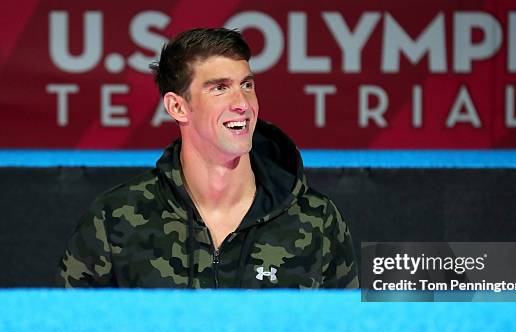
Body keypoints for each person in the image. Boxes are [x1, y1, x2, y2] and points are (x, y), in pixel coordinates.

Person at [57, 28, 358, 288]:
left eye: (247, 85)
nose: (242, 103)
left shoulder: (317, 219)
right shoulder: (115, 219)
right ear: (177, 107)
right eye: (220, 88)